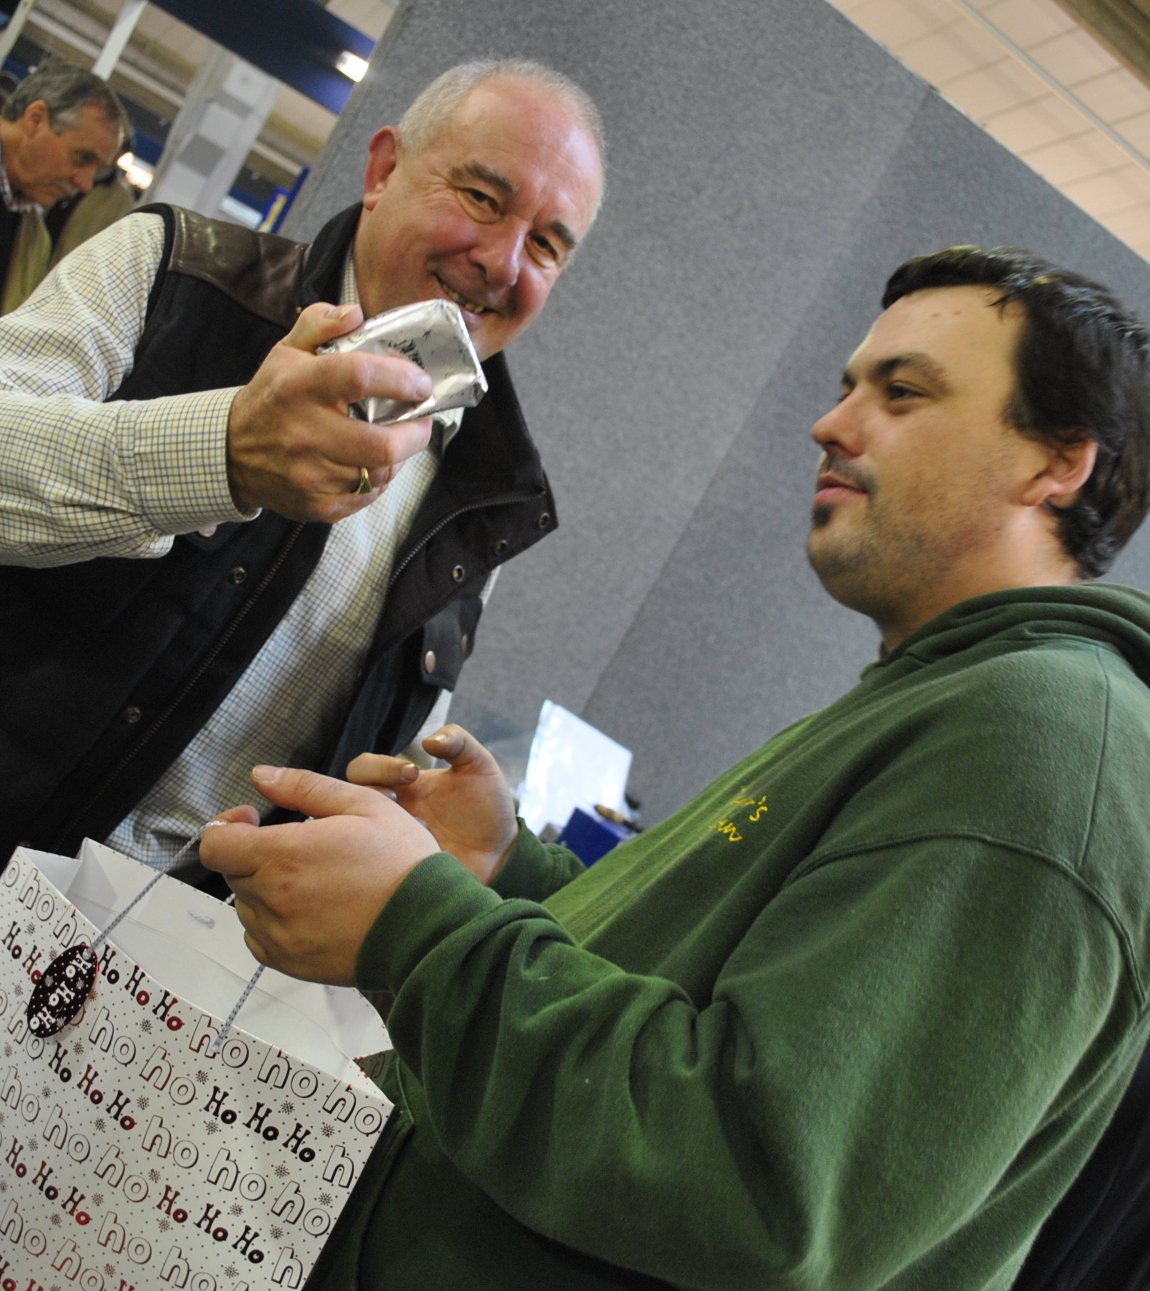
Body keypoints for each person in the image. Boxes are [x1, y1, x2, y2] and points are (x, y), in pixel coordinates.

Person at [202, 246, 1150, 1290]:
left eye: (904, 392)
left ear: (1058, 462)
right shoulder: (943, 693)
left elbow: (759, 1182)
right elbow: (703, 997)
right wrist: (503, 869)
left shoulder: (1042, 742)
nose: (830, 424)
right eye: (845, 387)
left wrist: (415, 931)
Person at [0, 60, 605, 868]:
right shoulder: (172, 273)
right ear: (385, 169)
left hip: (168, 959)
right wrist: (221, 453)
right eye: (482, 199)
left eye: (547, 244)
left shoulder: (484, 489)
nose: (502, 261)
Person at [0, 58, 128, 313]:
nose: (85, 183)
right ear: (35, 119)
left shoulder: (32, 237)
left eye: (99, 170)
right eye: (82, 158)